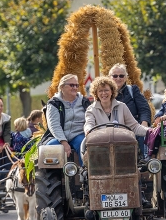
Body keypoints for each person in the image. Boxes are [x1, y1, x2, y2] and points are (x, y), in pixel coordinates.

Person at [84, 76, 151, 207]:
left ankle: (139, 196)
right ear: (96, 93)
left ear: (112, 91)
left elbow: (134, 126)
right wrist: (88, 130)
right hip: (100, 152)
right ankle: (90, 199)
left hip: (122, 151)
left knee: (134, 170)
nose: (104, 93)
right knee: (89, 171)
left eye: (106, 90)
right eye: (100, 91)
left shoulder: (122, 107)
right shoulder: (91, 110)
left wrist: (150, 131)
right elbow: (88, 124)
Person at [44, 74, 91, 164]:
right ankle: (56, 177)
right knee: (50, 149)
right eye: (71, 85)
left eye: (76, 85)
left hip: (78, 134)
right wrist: (64, 142)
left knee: (84, 146)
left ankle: (85, 174)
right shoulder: (54, 103)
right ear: (62, 87)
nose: (75, 88)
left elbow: (90, 119)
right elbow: (54, 125)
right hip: (59, 137)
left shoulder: (84, 101)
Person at [109, 63, 151, 157]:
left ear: (126, 77)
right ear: (109, 77)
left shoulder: (133, 90)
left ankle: (145, 161)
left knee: (143, 135)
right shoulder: (106, 93)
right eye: (115, 76)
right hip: (113, 129)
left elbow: (144, 108)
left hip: (133, 126)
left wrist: (144, 123)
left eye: (121, 75)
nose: (118, 78)